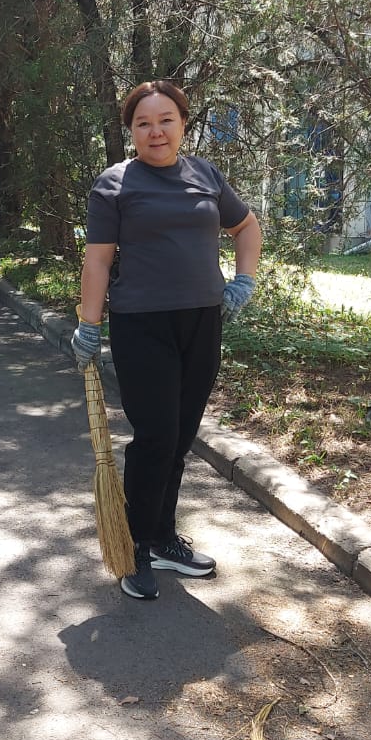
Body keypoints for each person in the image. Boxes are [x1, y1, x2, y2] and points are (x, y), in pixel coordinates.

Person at [71, 79, 263, 600]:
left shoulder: (205, 175)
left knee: (180, 437)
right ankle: (135, 546)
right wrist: (90, 324)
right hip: (141, 325)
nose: (155, 132)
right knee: (156, 435)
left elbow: (247, 228)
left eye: (165, 121)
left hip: (202, 321)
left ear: (183, 124)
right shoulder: (115, 184)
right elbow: (98, 260)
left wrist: (244, 280)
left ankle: (161, 537)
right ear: (131, 131)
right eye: (143, 123)